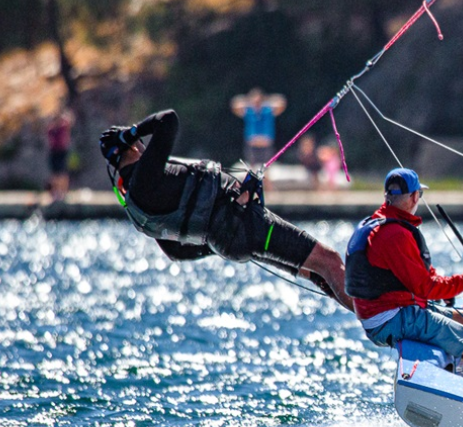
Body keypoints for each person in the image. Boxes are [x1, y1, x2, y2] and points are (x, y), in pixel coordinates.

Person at [99, 109, 353, 311]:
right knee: (328, 260)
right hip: (244, 226)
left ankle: (370, 316)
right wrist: (131, 132)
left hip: (231, 240)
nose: (144, 146)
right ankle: (374, 321)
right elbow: (168, 119)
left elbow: (176, 252)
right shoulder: (144, 175)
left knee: (314, 271)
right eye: (139, 142)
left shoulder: (135, 207)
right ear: (132, 147)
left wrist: (218, 237)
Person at [346, 168, 463, 393]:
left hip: (385, 313)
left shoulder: (380, 223)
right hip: (390, 318)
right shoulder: (395, 235)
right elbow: (425, 288)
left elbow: (422, 277)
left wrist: (450, 289)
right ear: (414, 197)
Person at [230, 88, 286, 168]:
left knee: (267, 168)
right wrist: (248, 101)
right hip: (252, 144)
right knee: (251, 168)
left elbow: (282, 102)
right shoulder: (248, 111)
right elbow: (234, 104)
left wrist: (266, 100)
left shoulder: (268, 110)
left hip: (266, 144)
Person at [46, 107, 74, 202]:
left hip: (62, 151)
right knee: (55, 174)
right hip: (54, 151)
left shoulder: (63, 126)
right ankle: (55, 192)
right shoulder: (52, 129)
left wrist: (63, 115)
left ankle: (63, 192)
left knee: (62, 173)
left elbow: (69, 120)